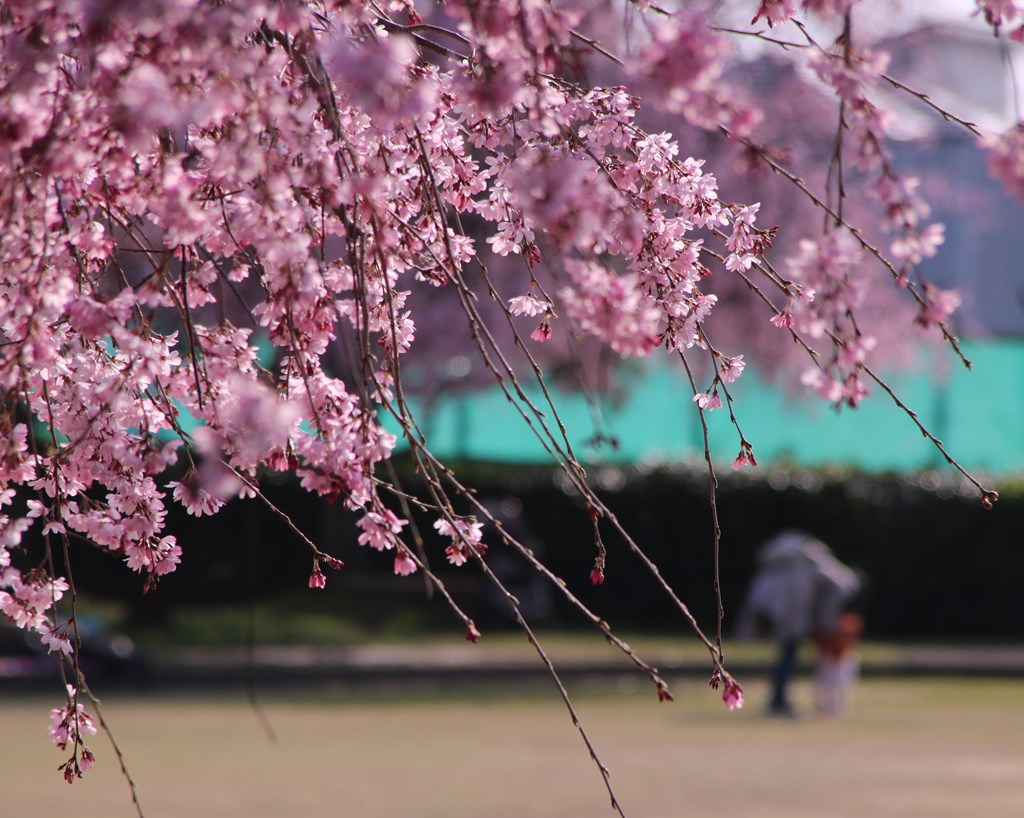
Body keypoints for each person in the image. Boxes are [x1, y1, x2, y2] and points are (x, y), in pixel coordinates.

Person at [736, 530, 863, 718]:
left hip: (785, 616)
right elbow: (830, 602)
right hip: (794, 618)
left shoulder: (775, 569)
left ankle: (779, 699)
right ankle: (778, 701)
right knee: (789, 655)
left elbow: (756, 603)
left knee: (787, 655)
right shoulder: (834, 576)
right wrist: (828, 627)